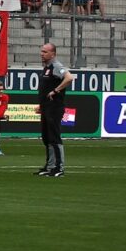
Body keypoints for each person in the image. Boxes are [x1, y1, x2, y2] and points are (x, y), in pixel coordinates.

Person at [37, 43, 74, 177]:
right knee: (47, 137)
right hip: (47, 107)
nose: (42, 54)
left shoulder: (56, 66)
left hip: (54, 107)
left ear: (53, 54)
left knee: (54, 136)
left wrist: (56, 90)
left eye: (45, 52)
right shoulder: (46, 68)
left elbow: (69, 78)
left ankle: (59, 167)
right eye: (41, 51)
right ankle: (50, 165)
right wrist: (41, 105)